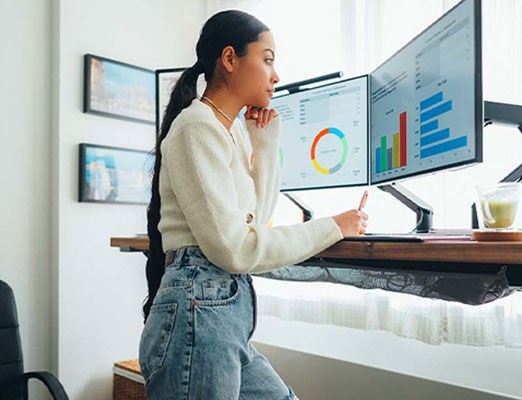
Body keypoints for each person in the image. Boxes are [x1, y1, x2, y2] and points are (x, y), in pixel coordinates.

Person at [139, 9, 368, 400]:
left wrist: (264, 143)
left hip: (221, 314)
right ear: (229, 59)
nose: (276, 75)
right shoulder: (197, 127)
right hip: (199, 311)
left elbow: (256, 225)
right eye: (267, 59)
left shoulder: (229, 132)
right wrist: (334, 226)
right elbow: (237, 249)